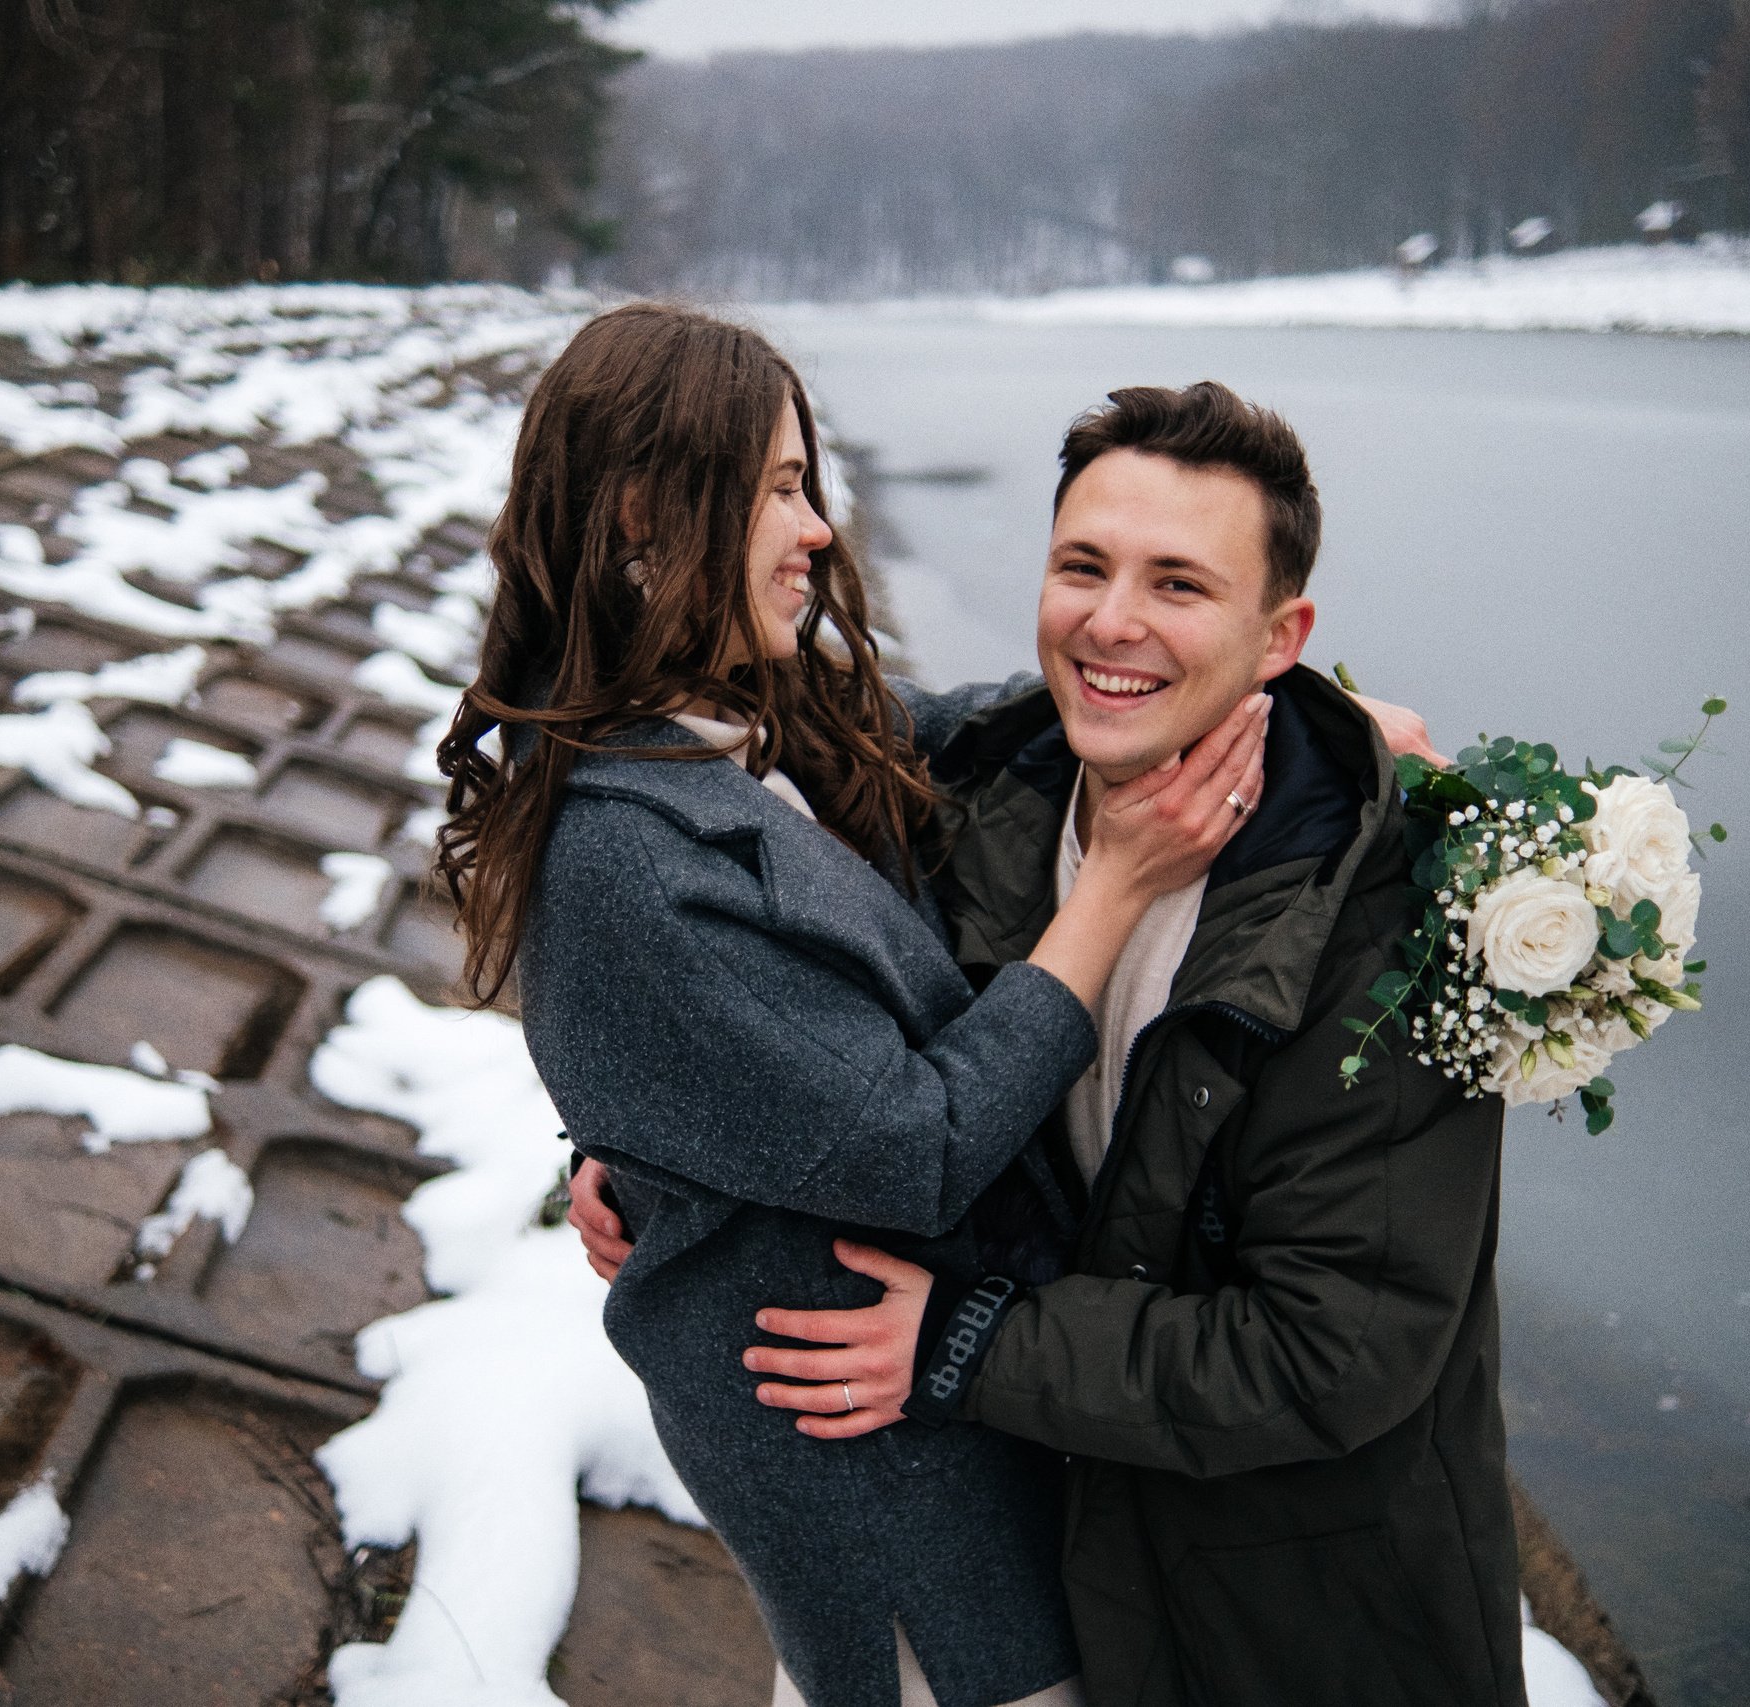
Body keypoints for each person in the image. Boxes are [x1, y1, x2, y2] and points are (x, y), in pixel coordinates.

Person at [572, 382, 1524, 1707]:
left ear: (1280, 638)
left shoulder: (1385, 927)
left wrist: (970, 1346)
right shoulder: (979, 792)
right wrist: (652, 1153)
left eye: (1179, 585)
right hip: (1037, 1556)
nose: (1113, 621)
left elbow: (1330, 1353)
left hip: (1279, 1609)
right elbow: (751, 989)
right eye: (1083, 566)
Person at [431, 303, 1275, 1707]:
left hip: (928, 1426)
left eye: (802, 482)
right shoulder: (625, 856)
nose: (818, 527)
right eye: (774, 489)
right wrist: (1116, 892)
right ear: (647, 511)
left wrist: (1270, 702)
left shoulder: (731, 718)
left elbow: (957, 733)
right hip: (880, 1492)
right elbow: (915, 1146)